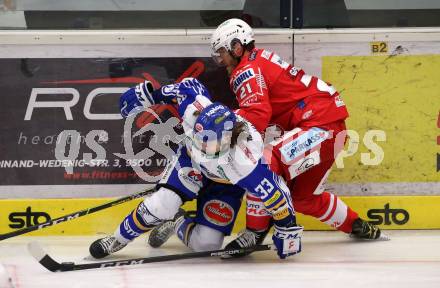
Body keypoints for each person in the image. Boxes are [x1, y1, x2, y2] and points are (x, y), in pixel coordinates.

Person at [208, 18, 389, 253]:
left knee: (260, 164)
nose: (220, 59)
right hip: (329, 128)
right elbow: (263, 115)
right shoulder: (258, 58)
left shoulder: (245, 71)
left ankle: (254, 233)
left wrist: (221, 122)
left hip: (319, 127)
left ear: (237, 46)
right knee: (304, 198)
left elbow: (257, 114)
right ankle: (356, 225)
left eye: (222, 51)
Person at [89, 78, 303, 260]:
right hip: (190, 162)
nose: (203, 145)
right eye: (201, 138)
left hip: (225, 184)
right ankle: (117, 239)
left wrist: (288, 230)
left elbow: (278, 193)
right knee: (162, 205)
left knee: (206, 244)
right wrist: (150, 95)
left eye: (209, 142)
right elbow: (187, 85)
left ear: (228, 138)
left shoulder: (246, 162)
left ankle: (177, 221)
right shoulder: (195, 108)